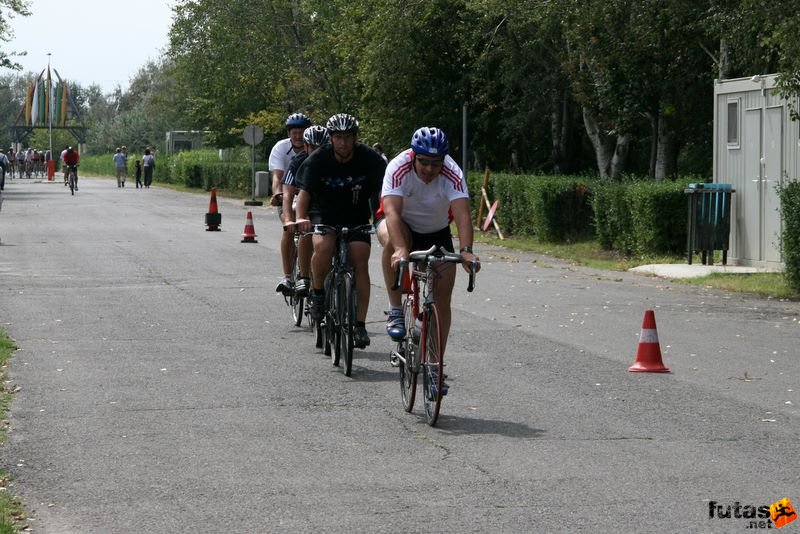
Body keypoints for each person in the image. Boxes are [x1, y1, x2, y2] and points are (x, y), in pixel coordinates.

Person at [376, 126, 480, 358]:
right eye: (424, 162)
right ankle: (395, 309)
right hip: (400, 225)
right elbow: (391, 212)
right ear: (414, 156)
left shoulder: (452, 172)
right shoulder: (398, 166)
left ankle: (435, 364)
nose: (430, 169)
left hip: (436, 231)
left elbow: (463, 216)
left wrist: (466, 251)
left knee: (442, 299)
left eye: (436, 163)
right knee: (394, 242)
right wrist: (401, 248)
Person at [295, 113, 386, 349]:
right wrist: (301, 218)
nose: (343, 143)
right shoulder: (318, 160)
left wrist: (381, 219)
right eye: (338, 137)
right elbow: (304, 194)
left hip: (356, 217)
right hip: (325, 215)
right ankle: (317, 295)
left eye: (348, 137)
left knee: (360, 259)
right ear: (331, 138)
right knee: (324, 248)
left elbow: (381, 195)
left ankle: (359, 325)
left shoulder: (370, 159)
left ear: (355, 138)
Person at [281, 125, 330, 297]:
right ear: (306, 147)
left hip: (326, 207)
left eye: (322, 147)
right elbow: (287, 194)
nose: (318, 152)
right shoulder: (298, 163)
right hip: (303, 204)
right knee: (305, 229)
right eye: (314, 148)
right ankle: (301, 277)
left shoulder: (336, 161)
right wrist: (288, 219)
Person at [271, 112, 312, 295]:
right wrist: (277, 193)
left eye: (301, 132)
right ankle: (287, 276)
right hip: (286, 193)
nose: (298, 136)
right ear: (289, 134)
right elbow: (277, 177)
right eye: (294, 132)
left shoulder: (315, 146)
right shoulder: (281, 148)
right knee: (289, 229)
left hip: (307, 193)